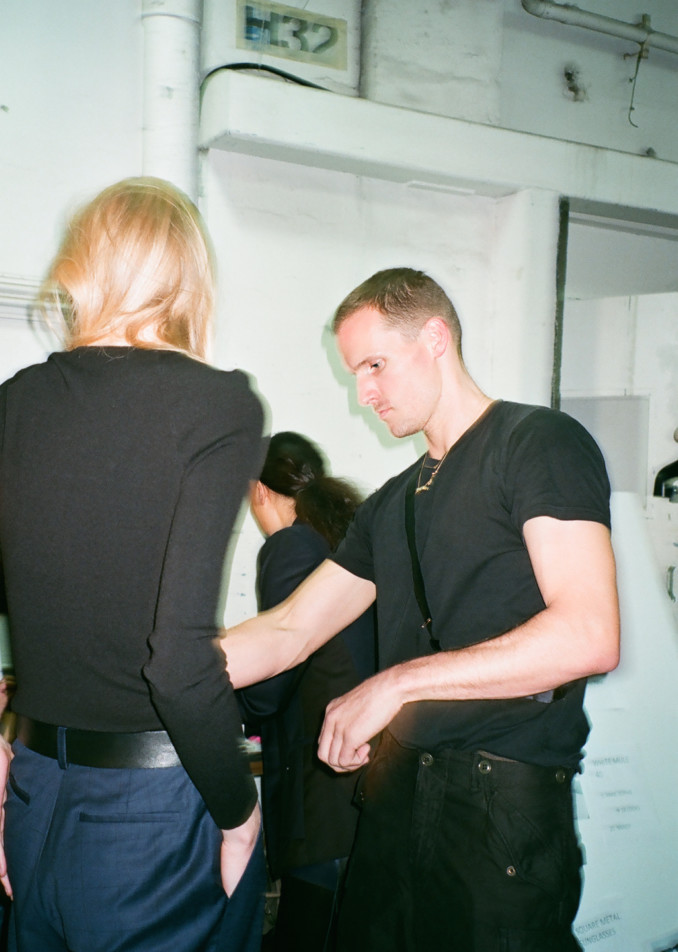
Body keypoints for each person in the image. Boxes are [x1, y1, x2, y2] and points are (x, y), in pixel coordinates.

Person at [222, 267, 621, 952]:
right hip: (395, 802)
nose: (363, 393)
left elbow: (588, 633)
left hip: (500, 815)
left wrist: (397, 682)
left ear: (435, 337)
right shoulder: (394, 501)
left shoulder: (537, 444)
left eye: (374, 365)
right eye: (355, 374)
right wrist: (153, 669)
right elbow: (290, 628)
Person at [0, 178, 266, 951]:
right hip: (148, 814)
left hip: (33, 790)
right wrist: (240, 810)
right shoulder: (218, 407)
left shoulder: (15, 404)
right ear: (185, 274)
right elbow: (178, 663)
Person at [238, 432, 376, 952]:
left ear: (259, 491)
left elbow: (270, 686)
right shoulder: (339, 535)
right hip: (359, 788)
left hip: (321, 792)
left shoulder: (291, 544)